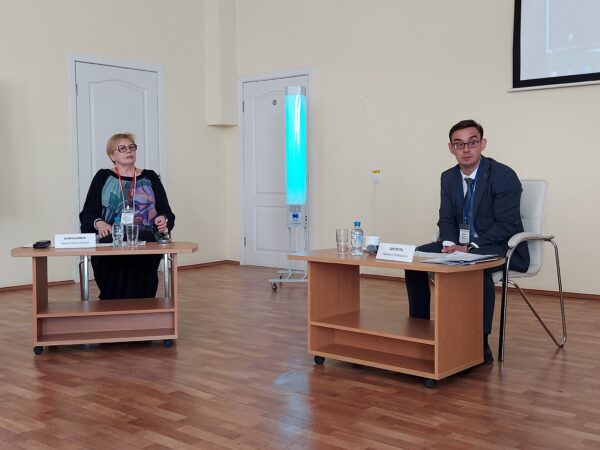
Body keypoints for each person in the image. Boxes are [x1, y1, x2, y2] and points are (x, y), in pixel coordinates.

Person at [405, 119, 530, 364]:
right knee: (415, 261)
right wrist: (449, 244)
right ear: (451, 148)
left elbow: (506, 224)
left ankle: (479, 343)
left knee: (475, 268)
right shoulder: (448, 177)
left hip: (499, 245)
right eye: (459, 144)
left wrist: (470, 246)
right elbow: (446, 218)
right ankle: (420, 332)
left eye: (472, 143)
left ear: (483, 144)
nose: (466, 149)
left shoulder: (503, 175)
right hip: (460, 244)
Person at [79, 133, 175, 299]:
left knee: (143, 239)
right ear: (112, 156)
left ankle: (143, 304)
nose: (129, 151)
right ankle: (113, 303)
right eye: (122, 148)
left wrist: (163, 219)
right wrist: (100, 223)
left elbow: (166, 211)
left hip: (146, 237)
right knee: (112, 244)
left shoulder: (150, 177)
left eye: (131, 147)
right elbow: (87, 213)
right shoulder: (103, 177)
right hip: (111, 236)